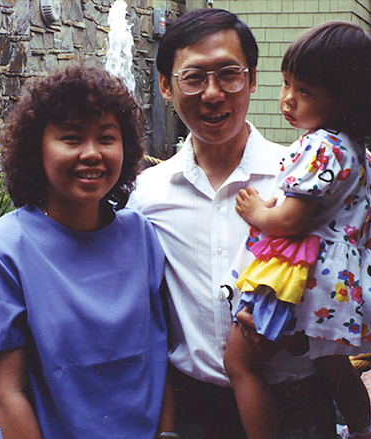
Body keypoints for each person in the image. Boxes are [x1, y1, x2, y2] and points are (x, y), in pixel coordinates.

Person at [129, 9, 335, 439]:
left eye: (228, 74)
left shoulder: (302, 178)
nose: (212, 93)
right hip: (194, 410)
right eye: (193, 78)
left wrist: (306, 336)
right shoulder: (146, 195)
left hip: (297, 403)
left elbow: (347, 274)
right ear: (166, 86)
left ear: (253, 79)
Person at [221, 22, 371, 439]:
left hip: (306, 285)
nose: (287, 100)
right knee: (335, 367)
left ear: (345, 99)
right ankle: (362, 431)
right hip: (344, 286)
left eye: (304, 92)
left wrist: (258, 210)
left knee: (240, 363)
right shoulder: (361, 153)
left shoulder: (319, 147)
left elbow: (292, 221)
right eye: (286, 84)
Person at [0, 65, 172, 439]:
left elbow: (158, 355)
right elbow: (6, 393)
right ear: (36, 148)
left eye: (106, 137)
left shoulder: (141, 236)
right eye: (71, 138)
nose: (91, 154)